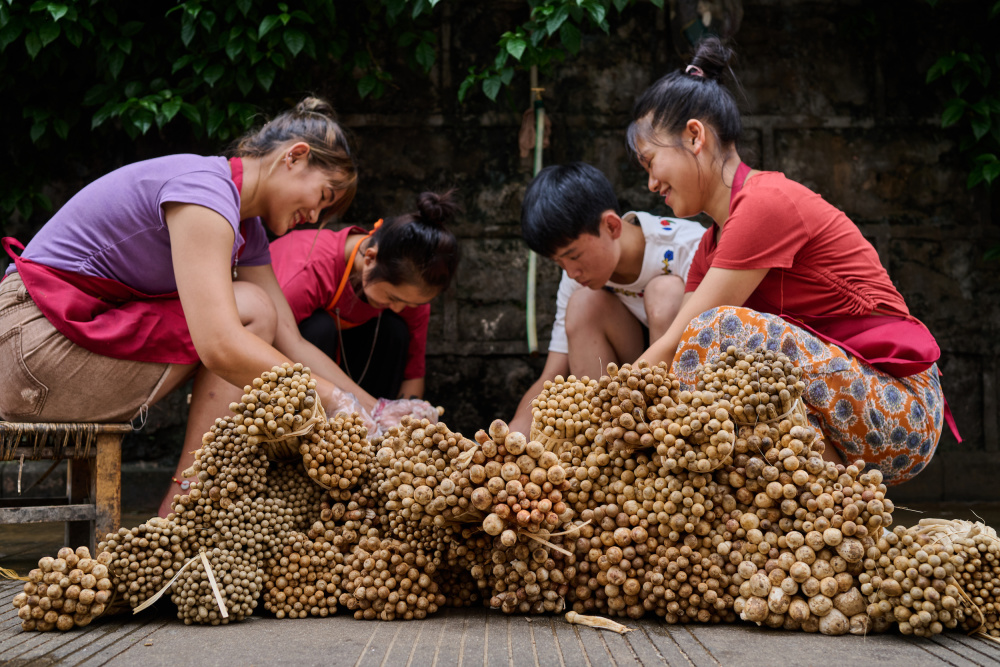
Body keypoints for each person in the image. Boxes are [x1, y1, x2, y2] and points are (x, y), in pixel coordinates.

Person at [0, 97, 383, 517]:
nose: (314, 216)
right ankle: (186, 503)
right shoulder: (205, 193)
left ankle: (188, 498)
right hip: (28, 350)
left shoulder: (245, 226)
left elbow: (292, 342)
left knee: (258, 313)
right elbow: (220, 344)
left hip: (50, 350)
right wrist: (329, 399)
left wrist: (376, 410)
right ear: (295, 157)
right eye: (323, 196)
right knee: (248, 310)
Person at [626, 37, 957, 485]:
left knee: (716, 330)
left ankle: (839, 490)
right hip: (838, 416)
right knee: (712, 371)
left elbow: (680, 343)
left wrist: (610, 403)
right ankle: (834, 501)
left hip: (903, 408)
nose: (650, 184)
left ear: (694, 135)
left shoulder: (766, 202)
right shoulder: (709, 247)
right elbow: (678, 357)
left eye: (651, 163)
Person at [509, 162, 706, 434]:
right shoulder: (576, 278)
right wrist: (510, 436)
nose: (571, 272)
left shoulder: (690, 246)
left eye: (574, 256)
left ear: (612, 226)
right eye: (559, 262)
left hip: (691, 395)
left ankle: (668, 433)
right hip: (623, 404)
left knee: (664, 292)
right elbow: (551, 376)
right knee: (584, 303)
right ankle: (602, 441)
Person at [269, 190, 460, 405]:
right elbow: (269, 347)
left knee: (394, 330)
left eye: (410, 303)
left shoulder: (409, 296)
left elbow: (412, 374)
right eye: (392, 297)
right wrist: (370, 407)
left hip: (352, 378)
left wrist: (410, 418)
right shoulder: (308, 271)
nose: (399, 307)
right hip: (284, 367)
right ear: (370, 258)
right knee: (319, 327)